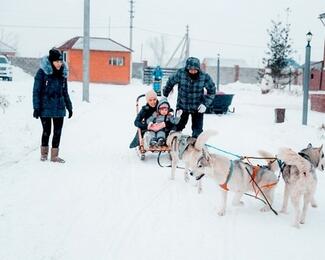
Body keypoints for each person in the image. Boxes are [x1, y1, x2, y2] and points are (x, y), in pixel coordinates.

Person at [33, 48, 73, 163]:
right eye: (57, 61)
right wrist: (36, 107)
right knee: (47, 130)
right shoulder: (42, 73)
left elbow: (65, 92)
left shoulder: (63, 74)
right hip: (45, 107)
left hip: (59, 107)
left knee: (58, 131)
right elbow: (36, 91)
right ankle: (44, 154)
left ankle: (54, 156)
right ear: (51, 61)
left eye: (61, 61)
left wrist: (69, 106)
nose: (59, 64)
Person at [163, 57, 216, 138]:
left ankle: (196, 145)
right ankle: (173, 141)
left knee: (197, 130)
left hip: (198, 107)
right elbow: (170, 81)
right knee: (178, 126)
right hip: (182, 106)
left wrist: (205, 104)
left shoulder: (204, 77)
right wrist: (165, 94)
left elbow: (212, 91)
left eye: (195, 69)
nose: (193, 71)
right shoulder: (180, 73)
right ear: (187, 68)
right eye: (190, 69)